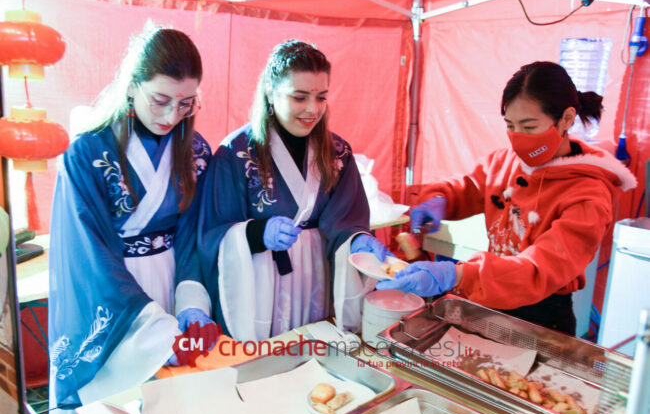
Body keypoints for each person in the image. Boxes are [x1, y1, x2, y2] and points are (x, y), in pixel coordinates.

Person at [378, 61, 636, 334]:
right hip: (489, 300)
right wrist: (438, 200)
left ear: (567, 119)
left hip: (542, 315)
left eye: (529, 127)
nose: (518, 139)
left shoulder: (588, 194)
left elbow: (539, 268)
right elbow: (469, 187)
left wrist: (459, 274)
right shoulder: (505, 163)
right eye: (510, 126)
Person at [48, 24, 217, 414]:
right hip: (115, 295)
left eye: (185, 104)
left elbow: (194, 235)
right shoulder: (86, 154)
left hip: (173, 279)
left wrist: (192, 303)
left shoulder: (195, 151)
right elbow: (87, 254)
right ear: (132, 86)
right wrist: (152, 330)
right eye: (160, 100)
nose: (171, 115)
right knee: (116, 410)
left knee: (171, 407)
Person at [198, 40, 391, 341]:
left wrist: (358, 241)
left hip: (319, 273)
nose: (312, 110)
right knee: (268, 359)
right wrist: (256, 233)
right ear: (270, 91)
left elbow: (348, 218)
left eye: (321, 97)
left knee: (316, 349)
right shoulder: (236, 152)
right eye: (299, 97)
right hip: (262, 278)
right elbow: (211, 231)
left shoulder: (337, 152)